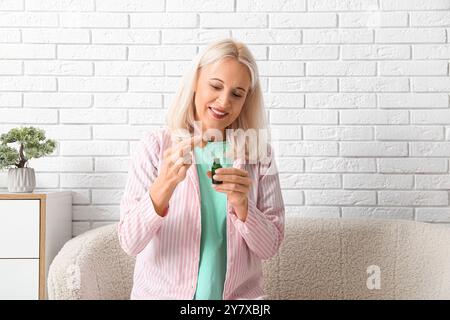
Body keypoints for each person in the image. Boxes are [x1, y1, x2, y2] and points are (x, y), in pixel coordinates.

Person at [118, 38, 285, 300]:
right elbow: (130, 242)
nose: (223, 102)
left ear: (246, 100)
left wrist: (244, 206)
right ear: (196, 80)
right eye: (216, 86)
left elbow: (269, 248)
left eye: (237, 94)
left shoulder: (259, 155)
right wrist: (163, 187)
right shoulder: (155, 147)